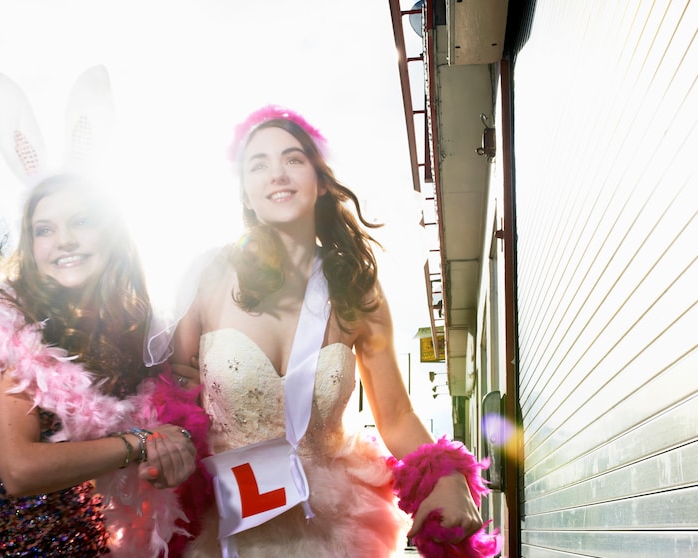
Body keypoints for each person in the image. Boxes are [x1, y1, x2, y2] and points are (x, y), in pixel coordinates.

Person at [171, 106, 499, 557]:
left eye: (293, 159)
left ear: (321, 181)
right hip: (222, 528)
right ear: (246, 193)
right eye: (258, 164)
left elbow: (398, 417)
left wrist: (448, 474)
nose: (276, 175)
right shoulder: (209, 276)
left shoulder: (358, 290)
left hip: (335, 531)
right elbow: (170, 401)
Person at [0, 67, 210, 557]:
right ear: (30, 244)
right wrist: (140, 443)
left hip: (89, 544)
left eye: (81, 221)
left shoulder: (135, 332)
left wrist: (169, 456)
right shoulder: (9, 324)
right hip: (3, 546)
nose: (63, 240)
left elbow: (142, 450)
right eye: (44, 229)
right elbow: (20, 469)